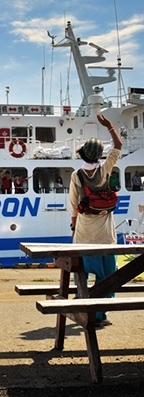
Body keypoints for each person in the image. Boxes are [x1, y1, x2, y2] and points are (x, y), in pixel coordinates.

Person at [69, 115, 122, 327]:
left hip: (84, 235)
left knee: (81, 274)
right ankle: (100, 314)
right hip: (106, 235)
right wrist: (109, 126)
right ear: (99, 155)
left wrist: (73, 226)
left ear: (82, 153)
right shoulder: (106, 169)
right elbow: (118, 146)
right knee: (108, 277)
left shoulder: (76, 176)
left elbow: (73, 205)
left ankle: (83, 307)